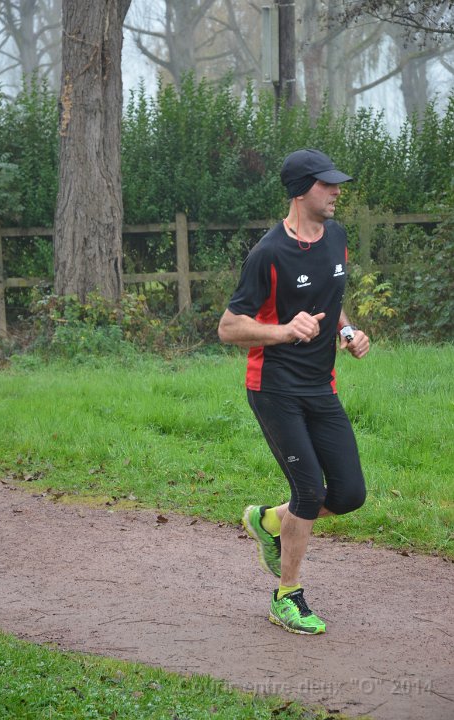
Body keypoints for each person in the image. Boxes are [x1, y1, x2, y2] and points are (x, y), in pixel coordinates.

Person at [218, 148, 370, 635]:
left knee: (348, 493)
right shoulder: (268, 253)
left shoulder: (337, 237)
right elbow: (228, 328)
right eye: (327, 184)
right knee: (309, 490)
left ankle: (268, 522)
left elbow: (331, 297)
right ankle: (287, 596)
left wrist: (348, 332)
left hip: (320, 387)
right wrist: (284, 331)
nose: (336, 191)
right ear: (302, 191)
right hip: (274, 389)